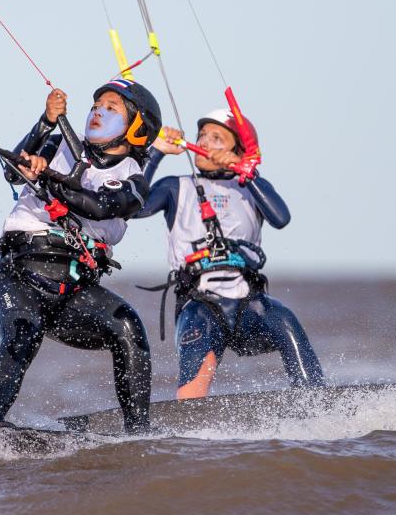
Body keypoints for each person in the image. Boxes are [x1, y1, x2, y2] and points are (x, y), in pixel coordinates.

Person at [0, 78, 161, 433]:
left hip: (72, 290)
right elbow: (11, 171)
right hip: (20, 275)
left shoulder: (134, 180)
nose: (98, 112)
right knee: (23, 332)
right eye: (96, 105)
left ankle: (139, 432)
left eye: (112, 108)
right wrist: (45, 123)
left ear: (138, 129)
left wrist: (49, 178)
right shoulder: (58, 143)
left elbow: (100, 206)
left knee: (128, 325)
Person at [137, 110, 324, 398]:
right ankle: (189, 418)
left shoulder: (251, 188)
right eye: (202, 137)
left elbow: (281, 217)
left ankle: (316, 402)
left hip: (250, 302)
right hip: (200, 303)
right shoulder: (175, 187)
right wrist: (157, 153)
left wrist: (247, 173)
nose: (204, 143)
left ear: (236, 151)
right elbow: (132, 206)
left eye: (217, 139)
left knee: (286, 320)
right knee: (201, 359)